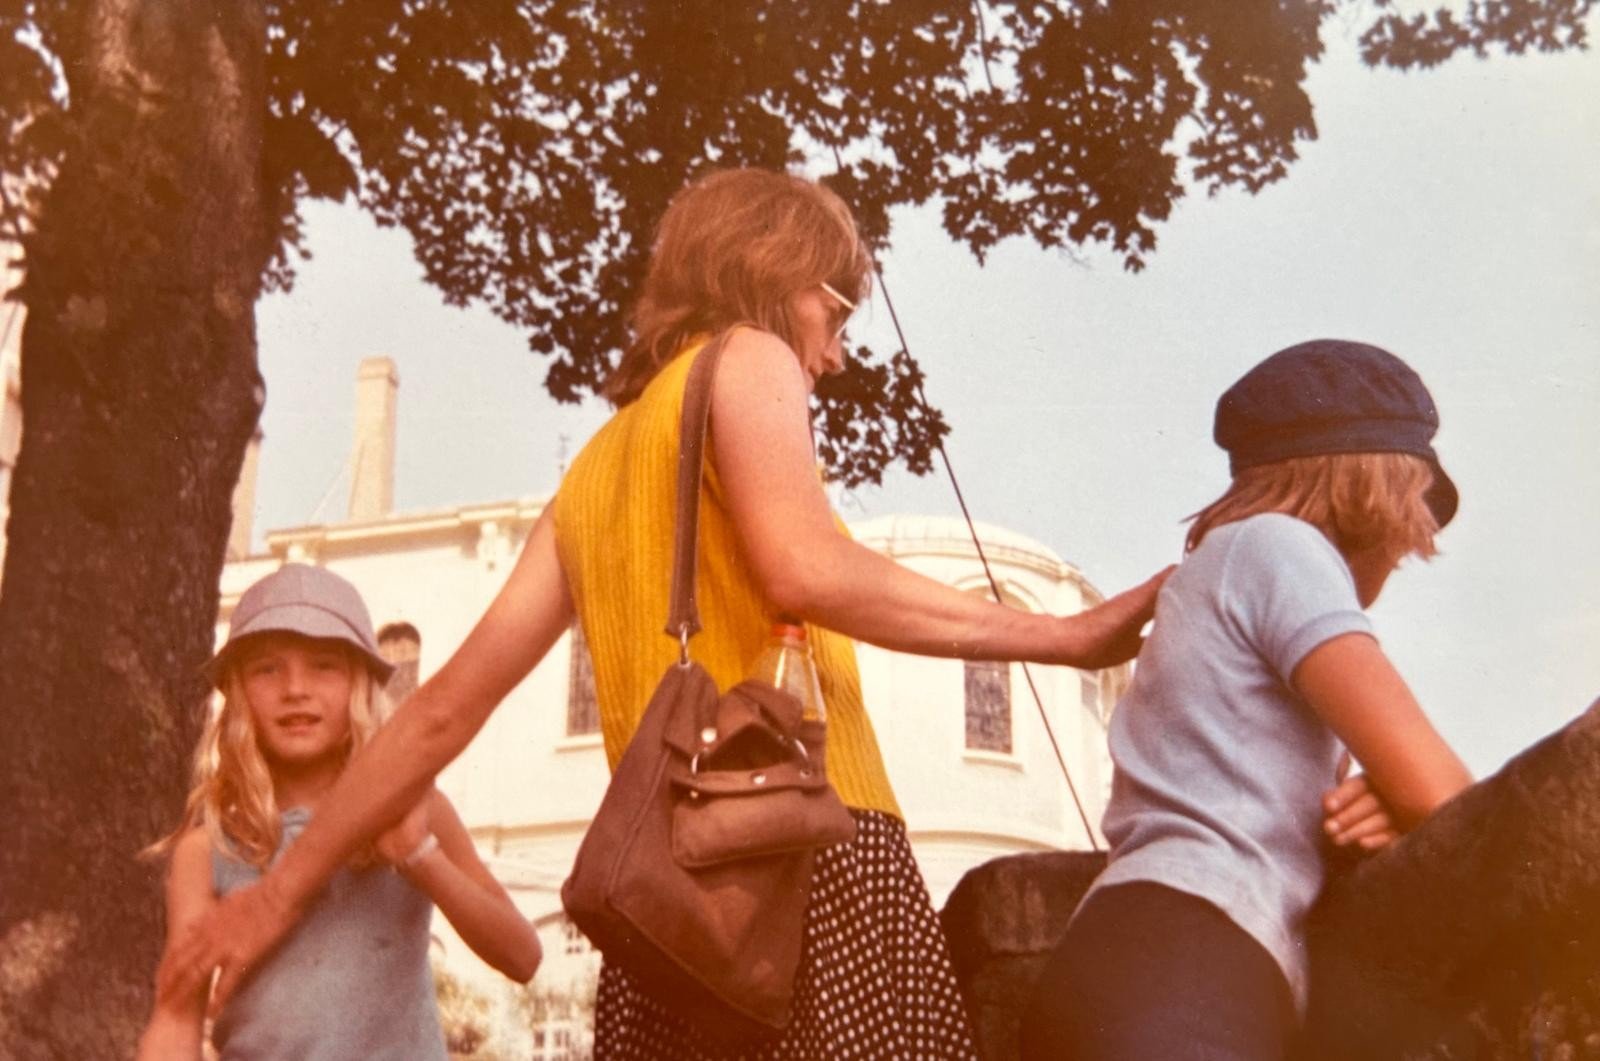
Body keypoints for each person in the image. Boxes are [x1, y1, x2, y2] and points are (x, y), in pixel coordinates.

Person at [156, 167, 1169, 1058]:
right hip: (808, 860)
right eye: (838, 309)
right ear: (779, 273)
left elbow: (436, 714)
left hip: (664, 916)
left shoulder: (594, 468)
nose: (838, 352)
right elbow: (804, 565)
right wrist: (1067, 635)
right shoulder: (750, 355)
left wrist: (276, 896)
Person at [1019, 339, 1476, 1060]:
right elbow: (1445, 794)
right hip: (1189, 961)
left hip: (1142, 959)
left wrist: (1380, 810)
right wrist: (1408, 796)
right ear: (1382, 494)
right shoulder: (1280, 548)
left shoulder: (1229, 561)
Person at [137, 564, 541, 1060]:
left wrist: (421, 856)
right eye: (268, 668)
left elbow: (523, 954)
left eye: (323, 665)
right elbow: (176, 1019)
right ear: (238, 691)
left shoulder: (419, 809)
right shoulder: (207, 849)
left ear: (359, 683)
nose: (295, 688)